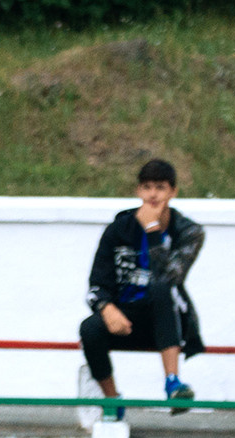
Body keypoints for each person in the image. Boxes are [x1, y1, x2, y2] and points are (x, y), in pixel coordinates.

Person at [80, 159, 207, 417]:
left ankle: (173, 384)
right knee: (89, 328)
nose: (152, 194)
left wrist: (152, 230)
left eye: (160, 187)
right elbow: (96, 284)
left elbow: (169, 277)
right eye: (147, 187)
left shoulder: (189, 232)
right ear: (138, 191)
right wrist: (107, 309)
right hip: (124, 318)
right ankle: (112, 400)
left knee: (161, 289)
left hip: (167, 321)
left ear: (173, 192)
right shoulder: (118, 229)